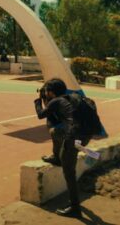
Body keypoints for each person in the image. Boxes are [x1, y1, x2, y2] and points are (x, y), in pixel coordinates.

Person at [34, 78, 91, 218]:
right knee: (57, 131)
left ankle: (75, 208)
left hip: (74, 138)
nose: (45, 93)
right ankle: (57, 156)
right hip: (86, 136)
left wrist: (38, 101)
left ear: (51, 93)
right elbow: (59, 118)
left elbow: (41, 115)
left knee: (69, 172)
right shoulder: (72, 98)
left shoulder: (55, 101)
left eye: (46, 91)